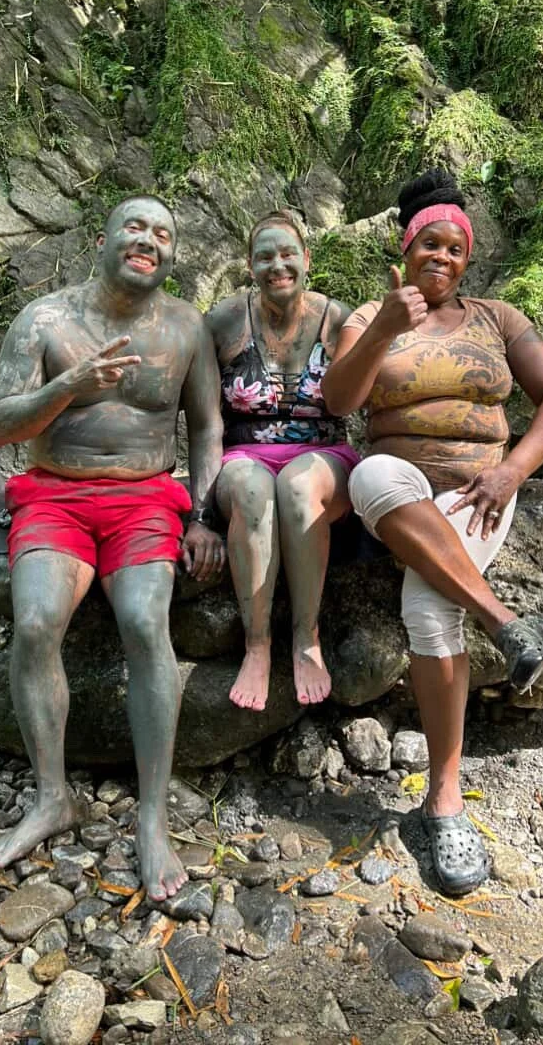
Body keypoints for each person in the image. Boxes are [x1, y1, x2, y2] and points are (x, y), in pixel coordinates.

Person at [322, 170, 543, 896]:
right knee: (371, 475)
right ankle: (502, 620)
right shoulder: (370, 314)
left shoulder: (498, 318)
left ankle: (444, 799)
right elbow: (339, 400)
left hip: (477, 492)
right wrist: (384, 328)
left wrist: (511, 472)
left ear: (467, 260)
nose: (442, 256)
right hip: (398, 490)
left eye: (455, 248)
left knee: (429, 608)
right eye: (429, 244)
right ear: (406, 250)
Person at [0, 195, 225, 902]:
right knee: (35, 622)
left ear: (172, 254)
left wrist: (203, 516)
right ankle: (52, 797)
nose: (148, 240)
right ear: (103, 238)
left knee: (146, 622)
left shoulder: (185, 326)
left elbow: (207, 428)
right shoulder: (45, 320)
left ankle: (153, 820)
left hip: (145, 498)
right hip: (54, 495)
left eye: (163, 233)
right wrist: (69, 385)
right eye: (135, 227)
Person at [205, 211, 360, 711]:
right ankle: (257, 643)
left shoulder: (340, 320)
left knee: (297, 484)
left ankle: (306, 636)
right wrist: (199, 515)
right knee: (253, 489)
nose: (278, 265)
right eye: (265, 256)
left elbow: (369, 394)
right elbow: (202, 420)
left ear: (306, 259)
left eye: (288, 253)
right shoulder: (224, 321)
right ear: (250, 266)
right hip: (243, 455)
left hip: (323, 456)